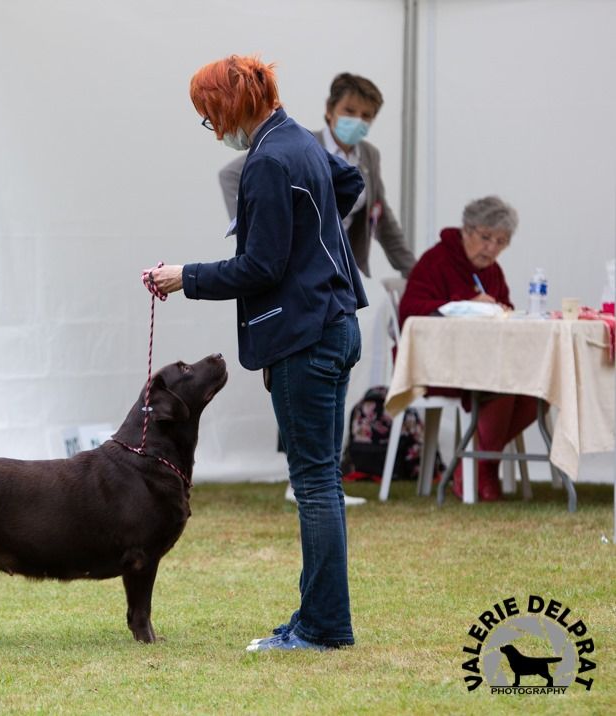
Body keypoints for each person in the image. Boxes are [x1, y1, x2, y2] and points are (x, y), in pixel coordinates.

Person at [143, 55, 367, 652]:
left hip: (307, 335)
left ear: (230, 104)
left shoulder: (268, 160)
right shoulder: (298, 140)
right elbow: (350, 184)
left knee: (315, 484)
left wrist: (182, 276)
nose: (212, 128)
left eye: (207, 115)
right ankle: (318, 618)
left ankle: (322, 628)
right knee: (323, 481)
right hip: (336, 324)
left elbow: (259, 267)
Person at [398, 195, 537, 501]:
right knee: (503, 386)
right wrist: (463, 306)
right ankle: (480, 472)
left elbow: (506, 308)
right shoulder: (437, 260)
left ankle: (473, 467)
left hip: (484, 362)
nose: (492, 248)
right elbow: (410, 310)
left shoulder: (492, 271)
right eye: (485, 237)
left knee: (536, 390)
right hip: (436, 363)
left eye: (501, 241)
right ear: (466, 230)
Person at [219, 72, 415, 278]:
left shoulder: (369, 156)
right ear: (330, 110)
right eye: (349, 111)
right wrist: (250, 228)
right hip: (302, 264)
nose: (357, 120)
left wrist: (415, 272)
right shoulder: (305, 144)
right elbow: (230, 174)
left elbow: (383, 220)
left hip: (341, 265)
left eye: (366, 116)